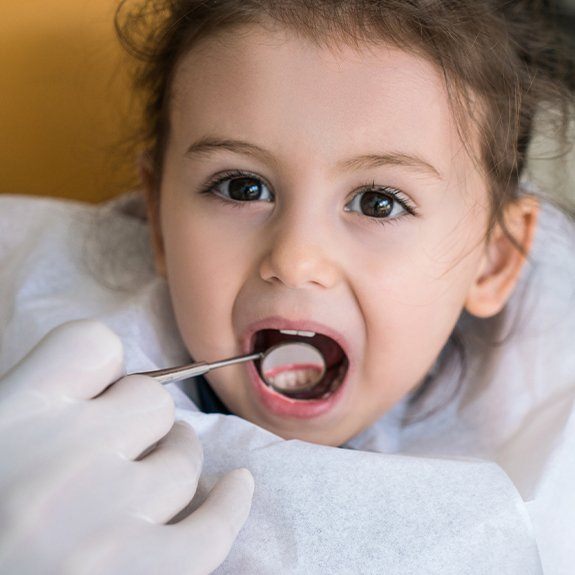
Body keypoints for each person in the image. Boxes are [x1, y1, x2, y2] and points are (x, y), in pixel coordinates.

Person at [1, 0, 574, 573]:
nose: (295, 259)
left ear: (494, 261)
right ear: (158, 219)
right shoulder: (26, 379)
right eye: (243, 187)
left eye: (379, 202)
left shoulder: (546, 468)